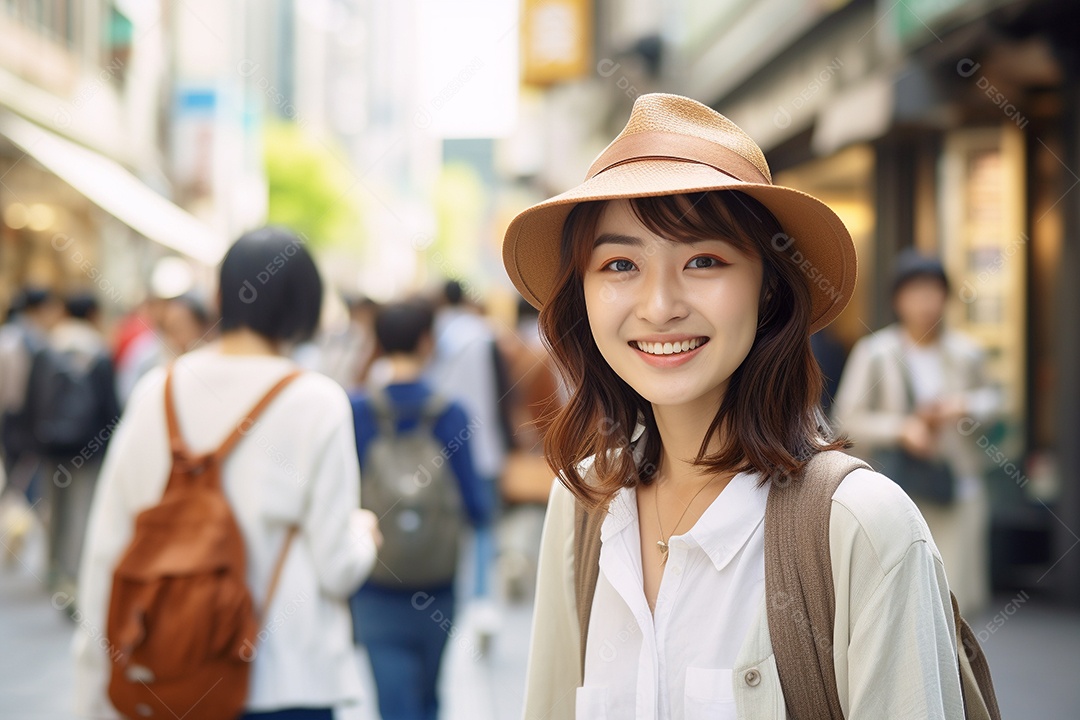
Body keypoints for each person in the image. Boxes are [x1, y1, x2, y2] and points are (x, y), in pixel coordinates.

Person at [504, 94, 964, 718]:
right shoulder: (584, 503)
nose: (659, 304)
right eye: (619, 264)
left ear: (769, 286)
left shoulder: (860, 527)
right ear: (582, 293)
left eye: (703, 260)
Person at [74, 227, 381, 719]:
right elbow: (336, 567)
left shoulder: (158, 391)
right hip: (288, 684)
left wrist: (91, 682)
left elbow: (108, 547)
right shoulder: (317, 402)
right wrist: (363, 534)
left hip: (170, 678)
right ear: (307, 306)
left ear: (220, 296)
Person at [833, 249, 999, 616]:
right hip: (898, 486)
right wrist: (902, 430)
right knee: (903, 600)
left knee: (956, 600)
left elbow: (996, 402)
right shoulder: (876, 352)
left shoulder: (966, 353)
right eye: (915, 292)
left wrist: (964, 405)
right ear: (898, 300)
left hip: (957, 486)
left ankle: (956, 672)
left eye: (933, 291)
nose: (925, 302)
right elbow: (846, 419)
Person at [349, 299, 491, 720]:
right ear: (427, 342)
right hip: (438, 585)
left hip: (375, 584)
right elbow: (475, 505)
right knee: (429, 699)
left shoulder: (358, 411)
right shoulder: (451, 414)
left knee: (393, 703)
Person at [37, 292, 120, 598]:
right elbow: (110, 405)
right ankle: (73, 577)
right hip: (89, 446)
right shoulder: (97, 351)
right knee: (80, 509)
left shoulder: (48, 347)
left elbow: (34, 399)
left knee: (54, 506)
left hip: (52, 445)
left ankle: (51, 566)